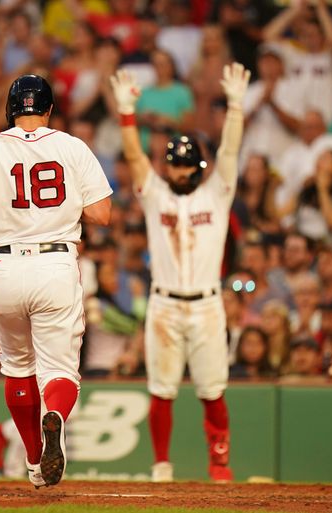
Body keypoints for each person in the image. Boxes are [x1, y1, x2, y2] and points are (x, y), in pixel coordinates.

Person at [0, 74, 112, 487]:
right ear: (50, 109)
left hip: (3, 268)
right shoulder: (72, 147)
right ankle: (54, 415)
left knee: (18, 367)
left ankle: (34, 459)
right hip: (54, 264)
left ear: (10, 110)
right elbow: (102, 214)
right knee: (59, 371)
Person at [110, 62, 249, 483]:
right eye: (176, 167)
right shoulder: (155, 195)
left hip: (207, 304)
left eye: (188, 168)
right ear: (168, 167)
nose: (182, 174)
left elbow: (228, 152)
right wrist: (127, 114)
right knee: (161, 390)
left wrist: (237, 108)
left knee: (212, 391)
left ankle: (219, 464)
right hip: (165, 304)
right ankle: (161, 466)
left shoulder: (218, 192)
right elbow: (134, 156)